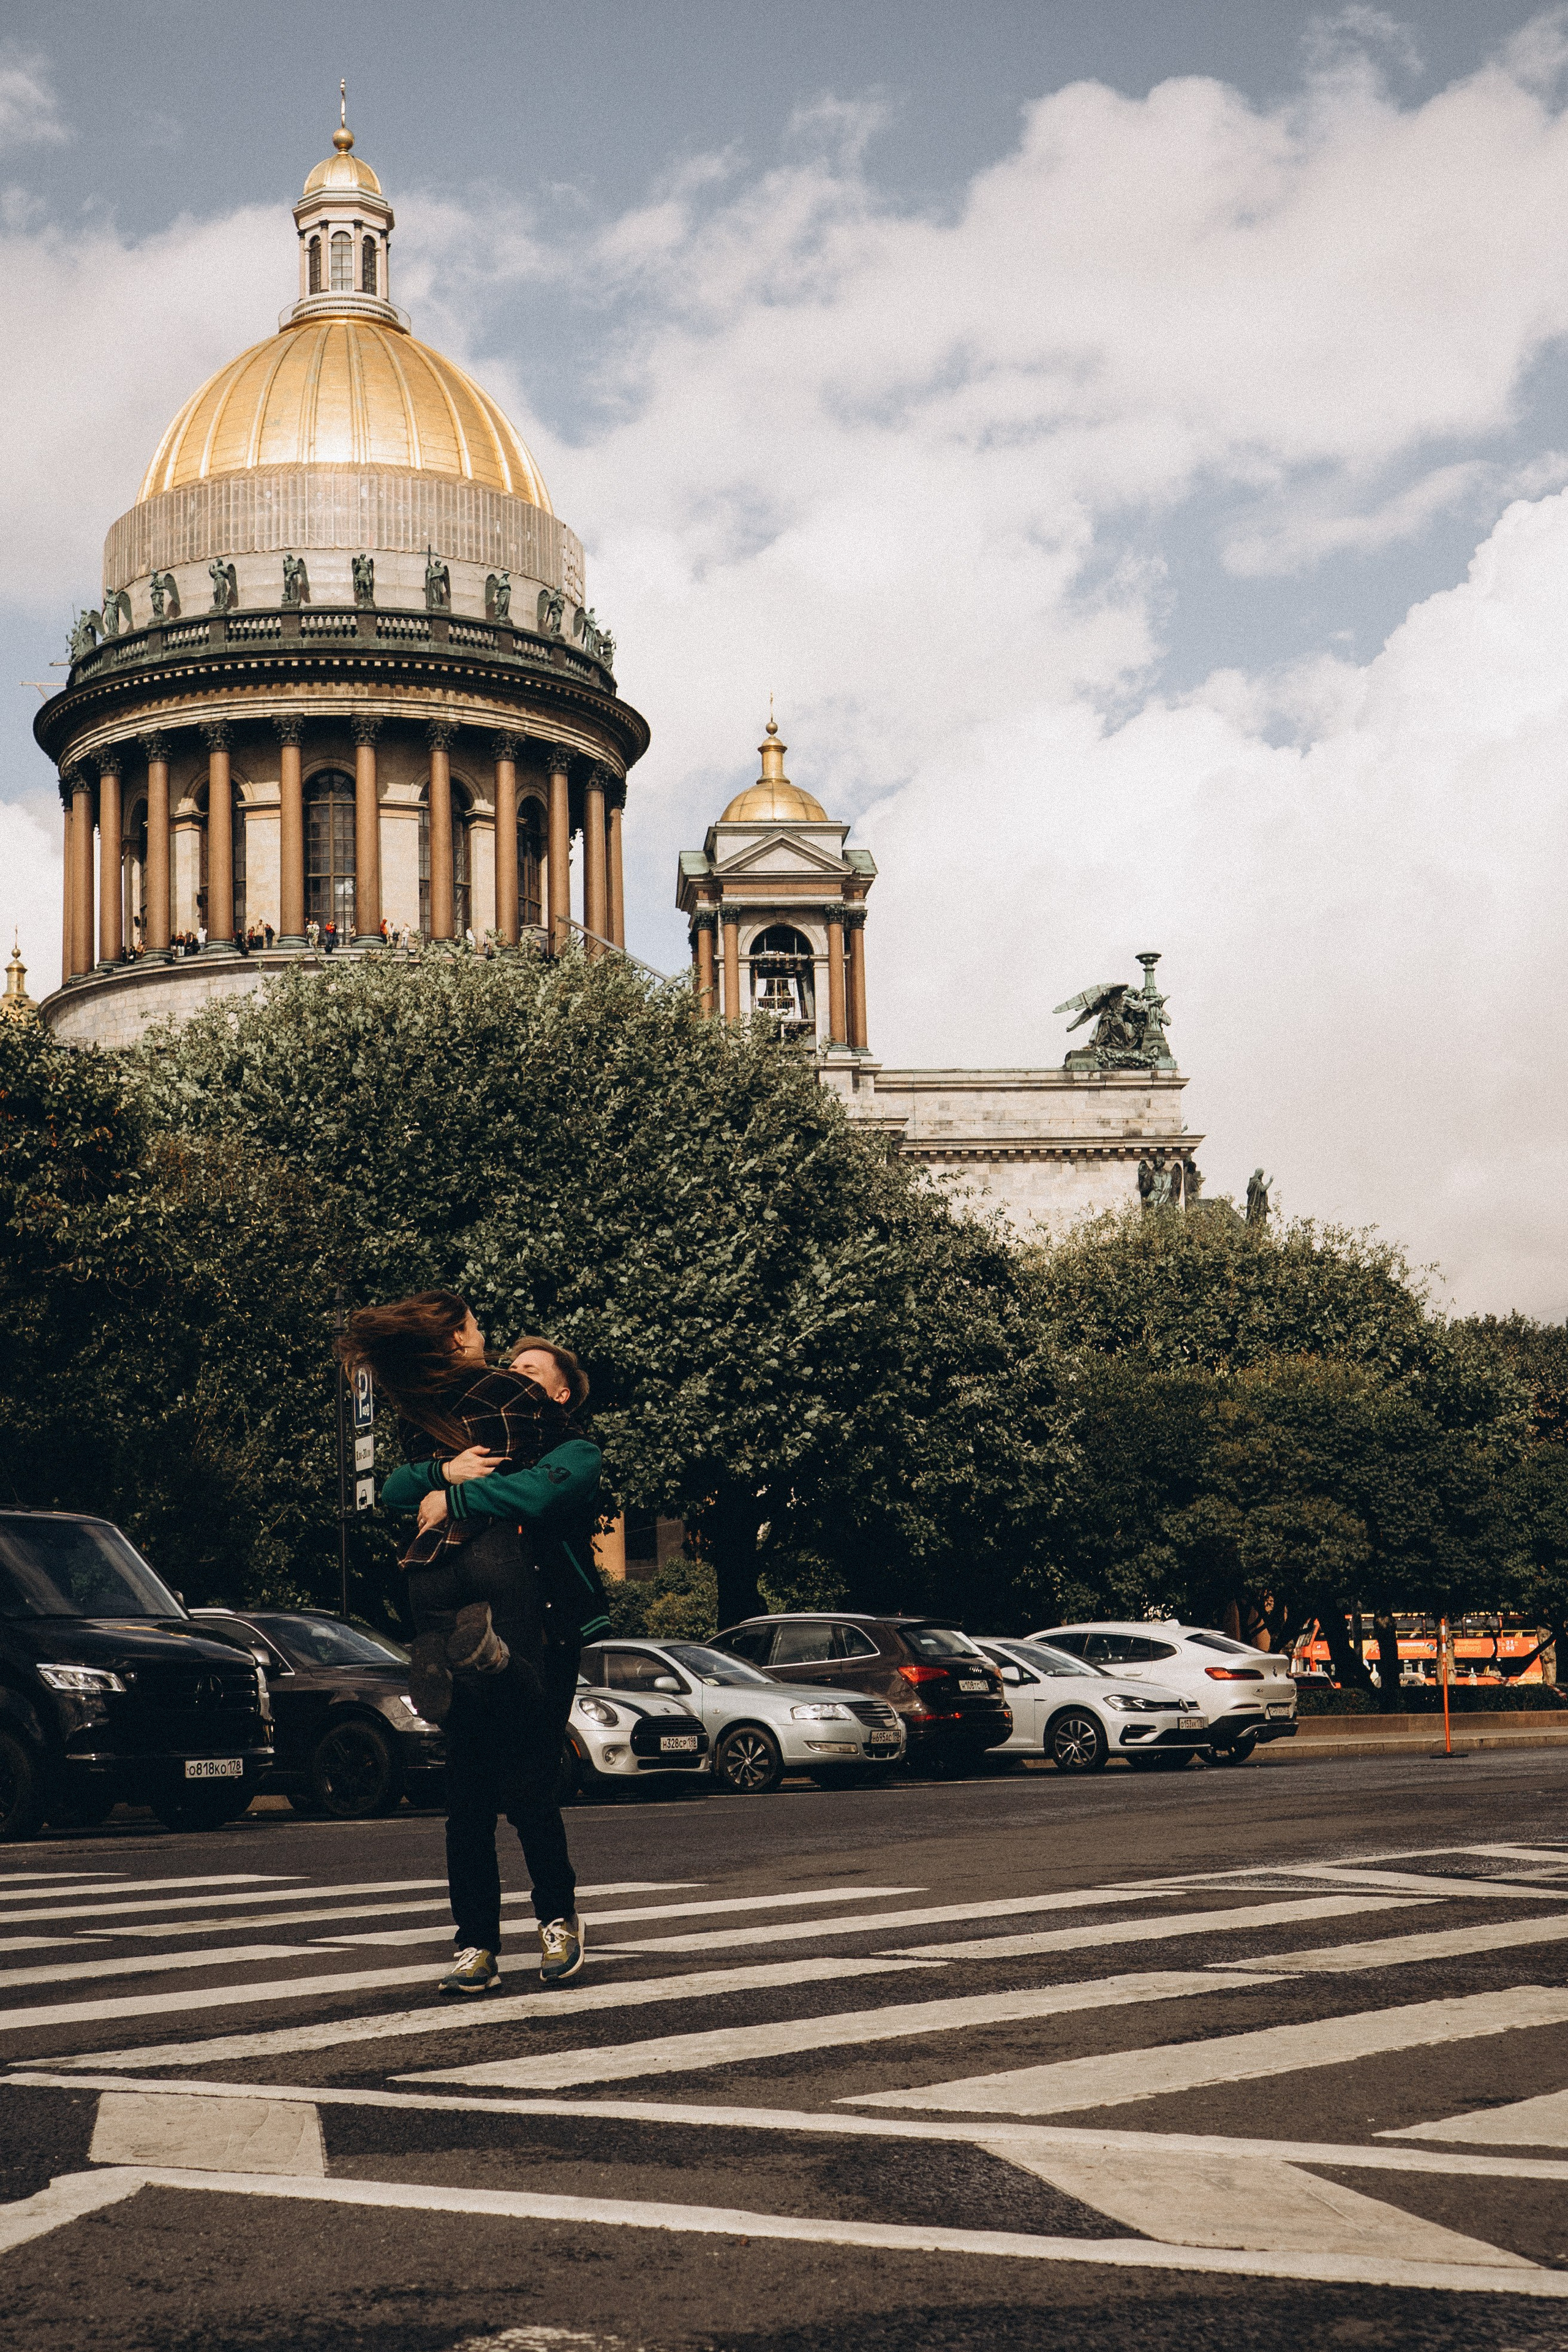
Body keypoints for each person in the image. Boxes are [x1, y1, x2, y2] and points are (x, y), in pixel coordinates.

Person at [342, 1294, 607, 1997]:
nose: (511, 1372)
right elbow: (392, 1488)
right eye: (508, 1360)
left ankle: (557, 1917)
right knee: (466, 1794)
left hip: (546, 1633)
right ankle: (475, 1945)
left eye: (530, 1368)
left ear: (555, 1392)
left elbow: (540, 1496)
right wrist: (442, 1474)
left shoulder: (576, 1450)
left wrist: (455, 1500)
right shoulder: (461, 1437)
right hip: (469, 1604)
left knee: (527, 1783)